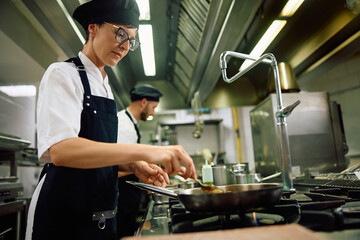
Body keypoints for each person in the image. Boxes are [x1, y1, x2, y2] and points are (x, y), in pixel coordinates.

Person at [25, 0, 196, 239]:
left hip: (101, 217)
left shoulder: (105, 87)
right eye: (121, 34)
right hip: (63, 218)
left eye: (132, 40)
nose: (126, 46)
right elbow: (62, 150)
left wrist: (133, 166)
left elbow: (97, 155)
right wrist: (147, 152)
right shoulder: (63, 74)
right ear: (93, 27)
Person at [116, 84, 163, 238]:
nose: (153, 112)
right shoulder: (124, 126)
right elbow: (115, 167)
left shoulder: (130, 122)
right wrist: (142, 170)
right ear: (143, 102)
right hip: (121, 195)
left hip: (128, 194)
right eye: (153, 107)